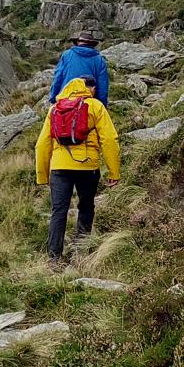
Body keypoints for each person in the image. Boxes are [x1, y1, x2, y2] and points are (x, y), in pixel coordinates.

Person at [34, 76, 120, 263]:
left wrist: (42, 175)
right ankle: (81, 250)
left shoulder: (55, 109)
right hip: (87, 166)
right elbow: (110, 140)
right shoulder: (95, 106)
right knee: (86, 206)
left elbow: (42, 144)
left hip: (59, 167)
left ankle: (54, 258)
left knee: (59, 210)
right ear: (90, 88)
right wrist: (114, 172)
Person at [51, 29, 110, 105]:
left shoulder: (67, 55)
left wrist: (53, 98)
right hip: (88, 103)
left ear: (78, 43)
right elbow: (103, 87)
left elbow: (58, 78)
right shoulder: (99, 60)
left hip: (66, 101)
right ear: (92, 45)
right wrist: (102, 105)